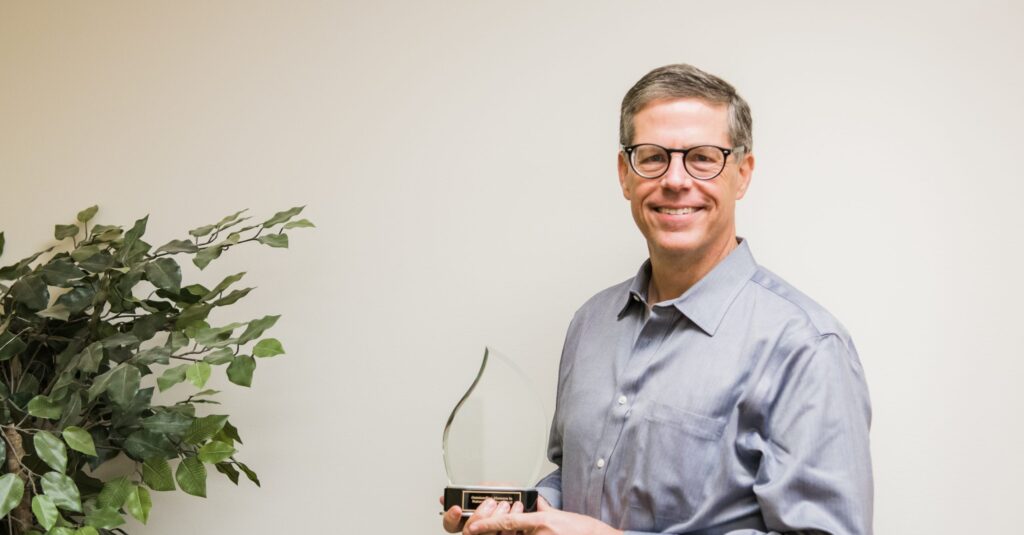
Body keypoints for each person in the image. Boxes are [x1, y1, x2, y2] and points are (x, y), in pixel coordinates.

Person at [443, 63, 873, 535]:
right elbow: (577, 480)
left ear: (742, 174)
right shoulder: (591, 324)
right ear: (625, 175)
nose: (675, 179)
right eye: (652, 157)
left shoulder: (806, 347)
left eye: (703, 157)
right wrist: (523, 512)